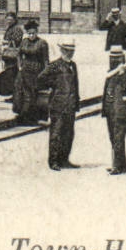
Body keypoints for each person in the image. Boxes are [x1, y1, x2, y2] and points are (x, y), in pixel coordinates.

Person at [42, 40, 81, 170]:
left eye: (72, 51)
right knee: (56, 134)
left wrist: (76, 102)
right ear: (62, 51)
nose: (70, 53)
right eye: (67, 50)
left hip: (70, 105)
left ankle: (64, 159)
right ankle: (53, 161)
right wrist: (54, 86)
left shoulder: (73, 65)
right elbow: (41, 79)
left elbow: (76, 84)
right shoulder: (55, 65)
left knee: (68, 134)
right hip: (58, 105)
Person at [102, 46, 126, 175]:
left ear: (122, 58)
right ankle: (122, 165)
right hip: (110, 110)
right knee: (113, 137)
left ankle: (117, 166)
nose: (114, 60)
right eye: (112, 58)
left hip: (121, 111)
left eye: (117, 58)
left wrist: (121, 75)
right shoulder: (110, 72)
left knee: (118, 137)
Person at [14, 19, 50, 124]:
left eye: (33, 33)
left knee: (32, 94)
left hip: (36, 70)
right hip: (24, 70)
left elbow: (46, 59)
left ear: (37, 32)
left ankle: (32, 117)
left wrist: (46, 73)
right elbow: (19, 54)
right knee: (20, 92)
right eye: (29, 33)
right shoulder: (24, 41)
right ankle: (22, 114)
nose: (31, 35)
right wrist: (19, 65)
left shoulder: (42, 43)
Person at [0, 12, 23, 98]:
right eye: (7, 19)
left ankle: (15, 96)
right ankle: (13, 95)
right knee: (9, 76)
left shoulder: (17, 29)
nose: (8, 21)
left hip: (14, 56)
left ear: (15, 20)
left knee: (13, 75)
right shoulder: (9, 28)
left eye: (11, 19)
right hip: (8, 56)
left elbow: (17, 40)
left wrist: (7, 42)